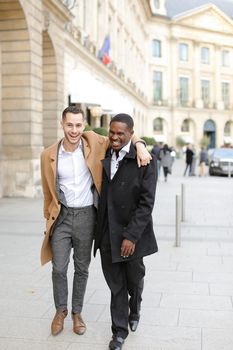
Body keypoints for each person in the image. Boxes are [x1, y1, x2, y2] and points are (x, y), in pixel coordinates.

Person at [40, 106, 152, 337]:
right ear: (62, 124)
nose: (74, 130)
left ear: (84, 126)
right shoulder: (48, 154)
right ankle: (60, 310)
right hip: (61, 217)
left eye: (78, 125)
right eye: (69, 125)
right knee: (59, 268)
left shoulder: (94, 142)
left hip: (87, 216)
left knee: (82, 268)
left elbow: (124, 133)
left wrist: (141, 145)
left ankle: (76, 313)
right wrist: (48, 218)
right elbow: (47, 192)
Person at [94, 113, 158, 350]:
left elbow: (146, 203)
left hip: (133, 234)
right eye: (112, 132)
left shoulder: (145, 161)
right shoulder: (103, 150)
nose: (115, 137)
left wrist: (131, 236)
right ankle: (119, 333)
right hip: (107, 233)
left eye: (121, 133)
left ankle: (136, 306)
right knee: (116, 286)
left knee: (134, 279)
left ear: (132, 133)